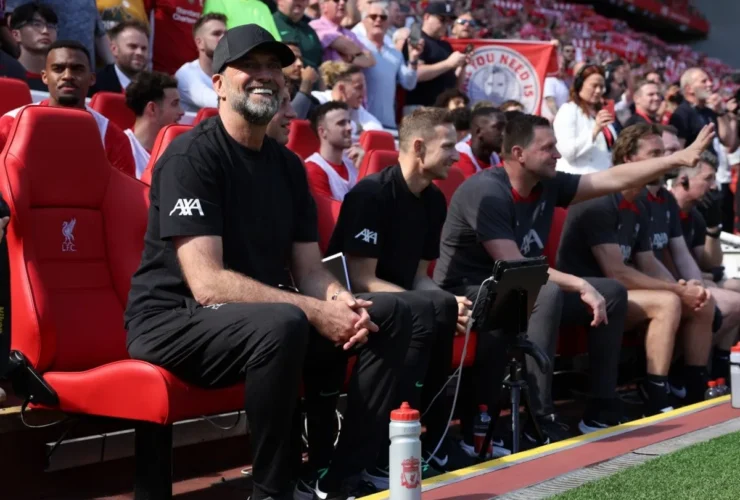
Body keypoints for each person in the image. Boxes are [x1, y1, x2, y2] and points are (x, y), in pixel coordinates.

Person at [124, 24, 412, 500]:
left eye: (273, 68)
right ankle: (271, 491)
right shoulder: (191, 156)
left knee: (391, 315)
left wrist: (342, 302)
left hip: (252, 322)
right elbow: (208, 284)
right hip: (170, 321)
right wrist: (315, 311)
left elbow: (308, 271)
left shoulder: (286, 165)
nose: (265, 77)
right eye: (249, 67)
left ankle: (334, 473)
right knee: (285, 322)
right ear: (217, 83)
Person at [434, 114, 715, 442]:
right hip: (468, 293)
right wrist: (581, 284)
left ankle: (601, 405)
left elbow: (613, 178)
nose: (558, 154)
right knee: (549, 292)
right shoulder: (487, 191)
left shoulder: (547, 184)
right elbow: (514, 266)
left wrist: (676, 158)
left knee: (609, 291)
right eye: (548, 148)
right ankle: (541, 417)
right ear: (518, 153)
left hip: (519, 290)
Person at [324, 107, 470, 488]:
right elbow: (361, 278)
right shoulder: (371, 195)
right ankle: (378, 453)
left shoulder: (435, 200)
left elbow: (420, 278)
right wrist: (431, 302)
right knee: (428, 307)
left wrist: (449, 301)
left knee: (443, 304)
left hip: (406, 308)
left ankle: (431, 438)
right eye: (449, 146)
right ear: (419, 147)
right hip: (358, 304)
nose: (457, 155)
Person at [557, 123, 715, 412]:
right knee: (667, 303)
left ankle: (695, 389)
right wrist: (674, 291)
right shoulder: (598, 202)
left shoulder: (639, 202)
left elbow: (647, 261)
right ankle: (657, 397)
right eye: (653, 153)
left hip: (616, 294)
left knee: (702, 302)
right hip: (583, 295)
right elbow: (616, 272)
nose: (661, 158)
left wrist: (684, 288)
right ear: (628, 158)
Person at [0, 40, 135, 178]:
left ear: (92, 78)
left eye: (77, 69)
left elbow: (122, 195)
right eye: (58, 68)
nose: (68, 76)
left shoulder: (113, 138)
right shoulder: (11, 124)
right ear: (45, 77)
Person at [669, 151, 740, 382]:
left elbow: (710, 261)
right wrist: (704, 277)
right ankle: (681, 368)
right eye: (708, 179)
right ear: (684, 180)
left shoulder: (694, 214)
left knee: (738, 287)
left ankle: (720, 365)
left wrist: (712, 228)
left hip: (694, 276)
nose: (713, 185)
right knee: (734, 302)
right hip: (671, 282)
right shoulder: (667, 210)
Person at [124, 71, 184, 179]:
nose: (182, 111)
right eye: (174, 104)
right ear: (152, 109)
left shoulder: (179, 151)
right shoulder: (120, 147)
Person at [305, 101, 362, 200]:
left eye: (349, 122)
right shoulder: (313, 169)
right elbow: (330, 214)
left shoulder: (354, 163)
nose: (349, 128)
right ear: (323, 132)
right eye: (341, 123)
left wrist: (364, 167)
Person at [175, 13, 227, 112]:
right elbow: (219, 103)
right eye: (216, 34)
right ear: (199, 42)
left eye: (226, 34)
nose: (224, 38)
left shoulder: (230, 71)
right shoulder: (186, 74)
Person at [89, 20, 149, 95]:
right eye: (133, 46)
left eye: (144, 48)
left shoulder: (153, 89)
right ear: (114, 49)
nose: (140, 53)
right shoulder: (94, 84)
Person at [8, 2, 58, 91]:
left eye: (50, 26)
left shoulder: (60, 79)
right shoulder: (6, 75)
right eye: (36, 24)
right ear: (16, 35)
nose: (45, 31)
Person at [455, 106, 505, 177]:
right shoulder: (459, 156)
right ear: (478, 131)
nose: (504, 132)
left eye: (506, 127)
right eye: (499, 127)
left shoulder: (495, 156)